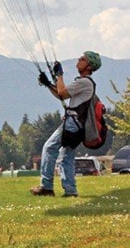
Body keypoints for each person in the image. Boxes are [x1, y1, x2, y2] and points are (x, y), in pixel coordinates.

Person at [30, 50, 102, 197]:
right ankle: (70, 190)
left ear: (89, 66)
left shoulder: (84, 82)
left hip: (72, 124)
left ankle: (47, 187)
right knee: (66, 156)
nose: (79, 59)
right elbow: (60, 94)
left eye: (82, 59)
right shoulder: (85, 83)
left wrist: (59, 75)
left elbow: (62, 92)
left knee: (49, 148)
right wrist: (48, 84)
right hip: (78, 126)